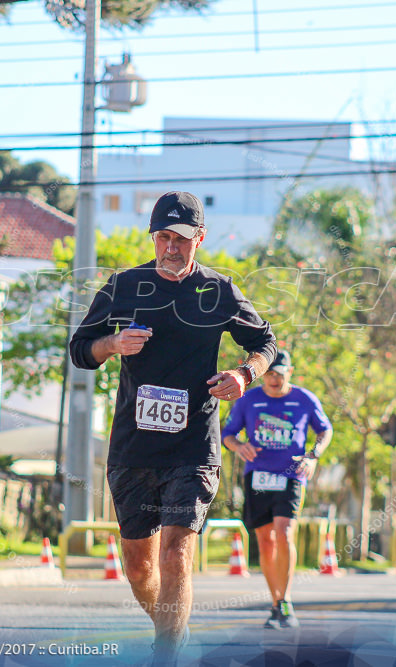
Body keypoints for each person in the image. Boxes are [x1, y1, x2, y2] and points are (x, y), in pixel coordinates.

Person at [69, 191, 276, 665]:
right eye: (163, 236)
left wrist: (244, 375)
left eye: (182, 238)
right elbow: (81, 350)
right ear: (154, 237)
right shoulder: (124, 287)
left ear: (199, 239)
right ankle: (172, 631)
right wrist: (113, 343)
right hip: (134, 447)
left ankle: (166, 655)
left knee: (175, 552)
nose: (172, 247)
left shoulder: (218, 290)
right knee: (141, 568)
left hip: (193, 447)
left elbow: (265, 342)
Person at [221, 349, 332, 629]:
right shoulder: (249, 399)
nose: (273, 379)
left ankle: (287, 599)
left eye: (279, 374)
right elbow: (227, 434)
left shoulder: (304, 399)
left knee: (284, 532)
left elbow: (325, 429)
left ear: (289, 373)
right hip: (257, 476)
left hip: (292, 474)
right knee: (265, 541)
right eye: (268, 374)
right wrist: (238, 446)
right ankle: (276, 602)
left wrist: (314, 454)